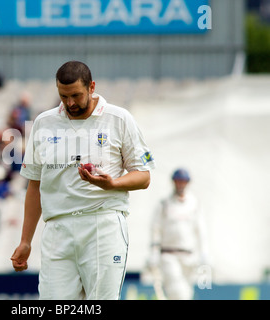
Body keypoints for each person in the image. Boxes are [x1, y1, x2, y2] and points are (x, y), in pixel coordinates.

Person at [11, 61, 155, 300]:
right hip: (57, 230)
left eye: (76, 95)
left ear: (92, 87)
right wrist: (26, 241)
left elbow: (144, 176)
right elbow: (35, 184)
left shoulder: (119, 119)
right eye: (63, 96)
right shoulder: (43, 123)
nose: (70, 103)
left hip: (103, 225)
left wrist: (112, 184)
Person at [146, 168, 209, 300]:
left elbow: (200, 230)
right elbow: (155, 229)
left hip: (188, 256)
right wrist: (153, 252)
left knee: (187, 291)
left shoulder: (194, 204)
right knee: (177, 291)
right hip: (169, 255)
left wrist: (204, 253)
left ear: (187, 183)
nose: (180, 184)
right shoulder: (164, 204)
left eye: (183, 181)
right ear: (173, 182)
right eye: (178, 181)